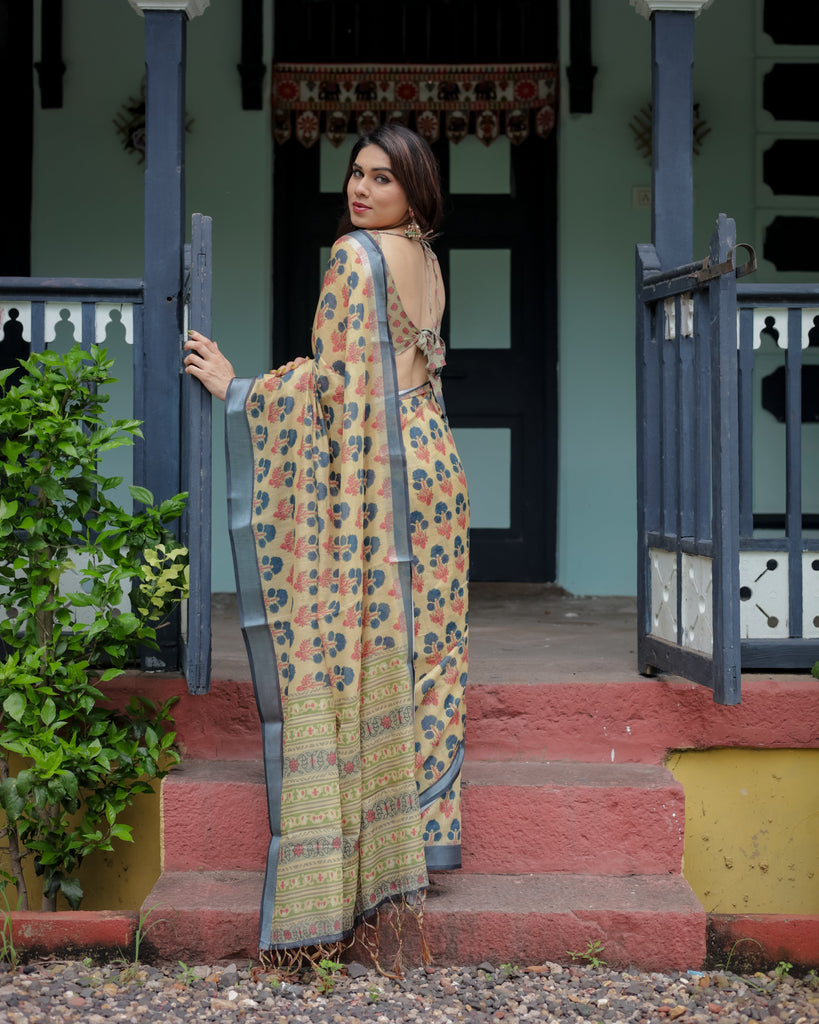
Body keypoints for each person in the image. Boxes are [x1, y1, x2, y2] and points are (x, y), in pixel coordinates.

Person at [184, 124, 469, 964]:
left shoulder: (355, 256)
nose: (361, 189)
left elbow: (333, 390)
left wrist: (240, 389)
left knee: (364, 646)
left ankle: (366, 848)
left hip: (382, 474)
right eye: (356, 174)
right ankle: (419, 836)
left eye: (383, 178)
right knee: (425, 653)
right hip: (435, 468)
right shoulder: (425, 258)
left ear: (414, 189)